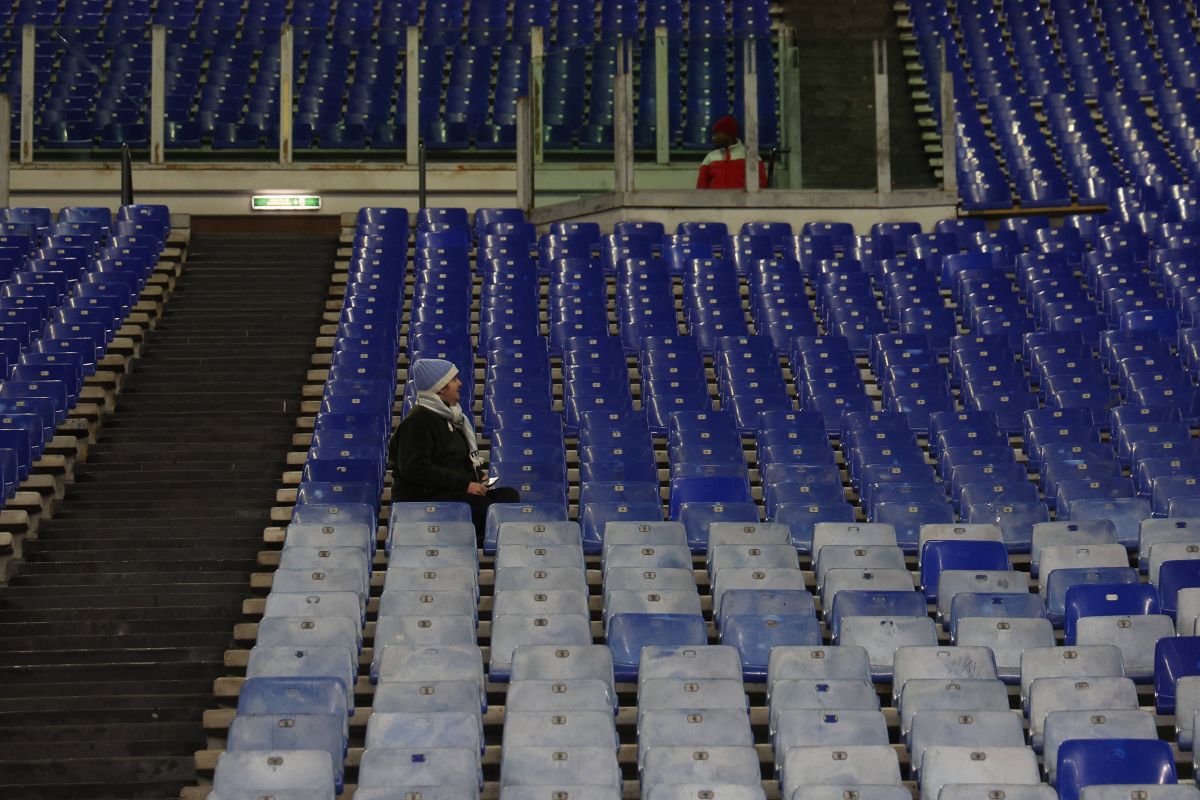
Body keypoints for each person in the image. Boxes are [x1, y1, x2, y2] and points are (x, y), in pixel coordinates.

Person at [389, 357, 519, 540]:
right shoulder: (417, 421)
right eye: (454, 379)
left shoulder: (449, 418)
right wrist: (464, 485)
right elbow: (415, 468)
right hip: (423, 496)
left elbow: (453, 459)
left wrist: (476, 475)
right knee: (481, 508)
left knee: (507, 497)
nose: (460, 383)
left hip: (447, 490)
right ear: (441, 387)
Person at [696, 114, 768, 190]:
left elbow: (761, 186)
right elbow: (701, 188)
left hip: (743, 201)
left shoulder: (750, 156)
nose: (713, 137)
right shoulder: (710, 157)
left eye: (716, 134)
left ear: (728, 135)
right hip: (715, 201)